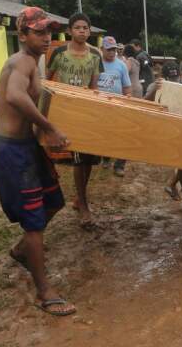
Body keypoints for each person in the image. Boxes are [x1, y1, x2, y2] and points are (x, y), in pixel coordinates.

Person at [0, 6, 76, 316]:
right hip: (11, 151)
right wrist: (49, 127)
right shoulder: (22, 61)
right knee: (34, 221)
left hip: (26, 146)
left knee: (55, 201)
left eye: (48, 31)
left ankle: (22, 250)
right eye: (38, 31)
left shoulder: (32, 65)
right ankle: (44, 292)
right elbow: (12, 96)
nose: (46, 37)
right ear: (22, 34)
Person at [46, 12, 103, 229]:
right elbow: (48, 80)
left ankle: (80, 199)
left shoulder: (95, 56)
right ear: (69, 31)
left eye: (85, 28)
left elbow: (95, 87)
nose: (82, 31)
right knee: (78, 158)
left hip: (86, 111)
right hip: (67, 112)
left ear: (89, 31)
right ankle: (84, 205)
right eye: (77, 27)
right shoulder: (59, 52)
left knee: (88, 159)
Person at [144, 61, 182, 213]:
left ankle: (171, 185)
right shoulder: (154, 86)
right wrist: (155, 91)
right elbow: (144, 104)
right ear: (164, 77)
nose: (175, 83)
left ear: (180, 76)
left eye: (176, 79)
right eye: (172, 81)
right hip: (166, 128)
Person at [98, 36, 132, 177]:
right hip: (100, 106)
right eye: (109, 50)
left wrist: (127, 101)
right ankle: (106, 158)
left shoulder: (121, 65)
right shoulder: (96, 63)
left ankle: (119, 165)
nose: (112, 52)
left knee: (122, 135)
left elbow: (127, 88)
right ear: (102, 49)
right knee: (104, 134)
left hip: (117, 106)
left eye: (114, 50)